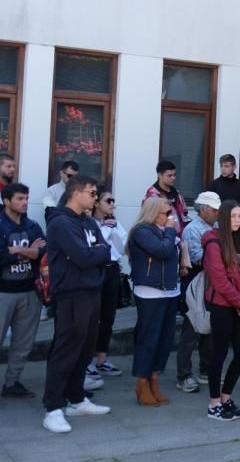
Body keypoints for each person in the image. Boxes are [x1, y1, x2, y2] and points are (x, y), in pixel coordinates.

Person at [42, 176, 112, 433]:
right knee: (67, 349)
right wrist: (97, 253)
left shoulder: (88, 221)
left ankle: (76, 398)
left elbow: (105, 249)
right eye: (92, 194)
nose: (96, 199)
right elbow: (84, 256)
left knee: (85, 348)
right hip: (72, 294)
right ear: (76, 193)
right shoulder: (61, 222)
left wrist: (96, 253)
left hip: (92, 291)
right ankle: (53, 408)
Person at [202, 200, 240, 421]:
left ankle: (226, 397)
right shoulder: (214, 244)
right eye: (233, 216)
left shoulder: (238, 240)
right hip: (222, 306)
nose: (237, 220)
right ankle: (214, 403)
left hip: (239, 307)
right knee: (219, 354)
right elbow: (220, 282)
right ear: (224, 217)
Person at [128, 197, 181, 407]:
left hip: (169, 291)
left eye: (171, 213)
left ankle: (153, 379)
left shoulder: (164, 231)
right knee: (148, 339)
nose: (170, 217)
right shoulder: (142, 230)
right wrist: (170, 231)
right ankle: (142, 383)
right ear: (153, 213)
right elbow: (162, 251)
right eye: (165, 213)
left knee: (164, 340)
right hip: (150, 292)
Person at [0, 183, 45, 398]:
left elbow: (45, 251)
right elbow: (0, 257)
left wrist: (16, 249)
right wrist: (29, 251)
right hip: (3, 292)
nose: (25, 202)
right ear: (6, 201)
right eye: (20, 199)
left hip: (29, 292)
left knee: (24, 343)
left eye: (26, 198)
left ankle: (12, 383)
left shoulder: (33, 225)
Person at [177, 191, 220, 393]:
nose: (217, 213)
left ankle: (205, 369)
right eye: (214, 210)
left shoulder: (215, 227)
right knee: (191, 329)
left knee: (209, 328)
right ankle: (184, 375)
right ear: (203, 210)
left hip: (211, 283)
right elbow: (198, 259)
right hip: (196, 282)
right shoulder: (192, 230)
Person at [87, 187, 127, 379]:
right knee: (91, 317)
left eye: (113, 201)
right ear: (97, 203)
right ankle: (86, 362)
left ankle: (102, 359)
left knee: (108, 317)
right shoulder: (89, 223)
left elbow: (121, 248)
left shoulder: (114, 223)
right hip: (95, 270)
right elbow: (94, 246)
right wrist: (105, 229)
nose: (112, 204)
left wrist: (112, 228)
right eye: (108, 201)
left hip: (111, 269)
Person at [207, 154, 240, 236]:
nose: (223, 169)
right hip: (219, 228)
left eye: (227, 166)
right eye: (221, 166)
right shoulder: (214, 185)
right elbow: (208, 207)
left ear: (234, 167)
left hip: (238, 228)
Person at [145, 161, 188, 235]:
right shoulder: (152, 194)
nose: (173, 178)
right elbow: (151, 219)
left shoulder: (176, 193)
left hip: (180, 236)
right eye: (169, 175)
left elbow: (184, 212)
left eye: (174, 175)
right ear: (159, 175)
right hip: (163, 236)